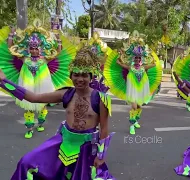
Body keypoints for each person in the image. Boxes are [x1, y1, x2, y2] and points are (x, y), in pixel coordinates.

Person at [0, 46, 115, 179]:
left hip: (86, 147)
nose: (80, 79)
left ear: (91, 77)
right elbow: (33, 97)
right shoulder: (66, 93)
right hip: (63, 142)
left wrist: (101, 156)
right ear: (71, 75)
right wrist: (3, 82)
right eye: (76, 74)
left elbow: (104, 129)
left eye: (84, 75)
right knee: (27, 163)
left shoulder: (101, 99)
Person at [0, 19, 75, 138]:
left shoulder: (45, 59)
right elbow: (11, 49)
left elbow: (58, 52)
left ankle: (40, 123)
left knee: (42, 105)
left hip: (43, 84)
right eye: (32, 48)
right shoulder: (24, 58)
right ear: (29, 49)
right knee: (28, 106)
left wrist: (59, 39)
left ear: (40, 49)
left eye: (36, 48)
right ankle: (29, 128)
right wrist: (11, 34)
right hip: (27, 84)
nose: (34, 50)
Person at [103, 31, 162, 135]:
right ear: (133, 59)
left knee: (139, 106)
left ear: (141, 59)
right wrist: (120, 54)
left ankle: (136, 121)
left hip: (141, 89)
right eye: (136, 58)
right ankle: (131, 125)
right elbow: (118, 63)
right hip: (132, 90)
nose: (137, 59)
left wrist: (151, 55)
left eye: (139, 58)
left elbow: (154, 64)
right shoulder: (130, 67)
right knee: (134, 107)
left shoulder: (144, 67)